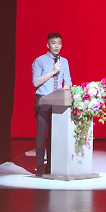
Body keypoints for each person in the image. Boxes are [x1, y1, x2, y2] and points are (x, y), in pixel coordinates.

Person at [32, 32, 72, 177]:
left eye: (59, 43)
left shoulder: (64, 62)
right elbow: (36, 82)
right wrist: (53, 71)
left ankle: (51, 165)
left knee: (55, 136)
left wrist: (64, 91)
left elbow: (68, 82)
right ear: (48, 44)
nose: (57, 46)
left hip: (57, 102)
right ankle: (40, 166)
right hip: (43, 101)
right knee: (41, 135)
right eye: (53, 43)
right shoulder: (40, 61)